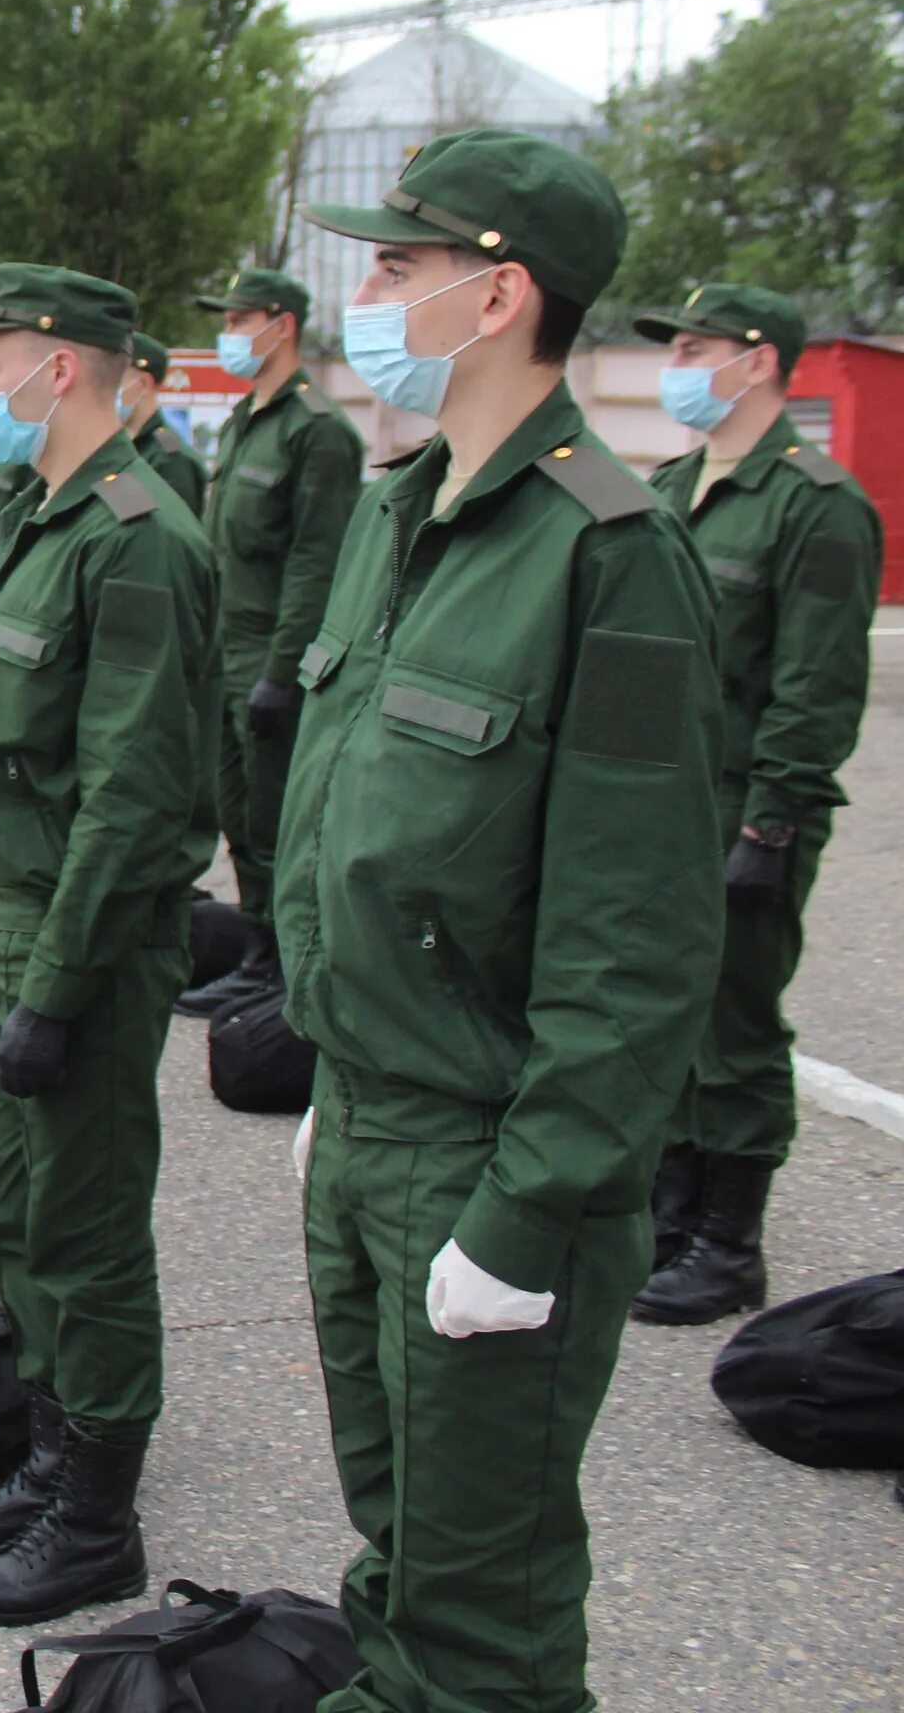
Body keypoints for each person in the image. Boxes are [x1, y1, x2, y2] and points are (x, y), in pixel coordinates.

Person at [280, 129, 720, 1713]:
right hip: (376, 1120)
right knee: (399, 1544)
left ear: (498, 294)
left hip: (489, 1153)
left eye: (399, 266)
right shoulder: (400, 514)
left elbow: (636, 944)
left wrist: (531, 1211)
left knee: (486, 1616)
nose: (367, 291)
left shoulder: (611, 555)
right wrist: (337, 1082)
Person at [0, 265, 215, 1627]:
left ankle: (98, 1511)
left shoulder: (140, 538)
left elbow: (135, 797)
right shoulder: (41, 517)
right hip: (10, 924)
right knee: (14, 1206)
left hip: (82, 947)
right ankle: (50, 1452)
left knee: (85, 1226)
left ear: (67, 362)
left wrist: (52, 982)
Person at [628, 283, 882, 1327]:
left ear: (760, 360)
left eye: (696, 345)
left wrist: (771, 822)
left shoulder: (815, 503)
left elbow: (817, 686)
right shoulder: (675, 481)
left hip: (746, 805)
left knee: (733, 1018)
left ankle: (730, 1240)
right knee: (664, 1008)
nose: (678, 363)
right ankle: (674, 1205)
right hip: (661, 802)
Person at [178, 268, 361, 1023]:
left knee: (279, 820)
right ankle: (258, 955)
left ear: (280, 325)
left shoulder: (319, 432)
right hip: (226, 652)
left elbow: (317, 563)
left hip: (270, 660)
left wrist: (283, 673)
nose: (229, 331)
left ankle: (289, 967)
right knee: (241, 817)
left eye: (240, 318)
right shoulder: (245, 420)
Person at [121, 334, 207, 512]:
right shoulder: (124, 446)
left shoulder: (171, 459)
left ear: (144, 384)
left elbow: (173, 531)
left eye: (113, 378)